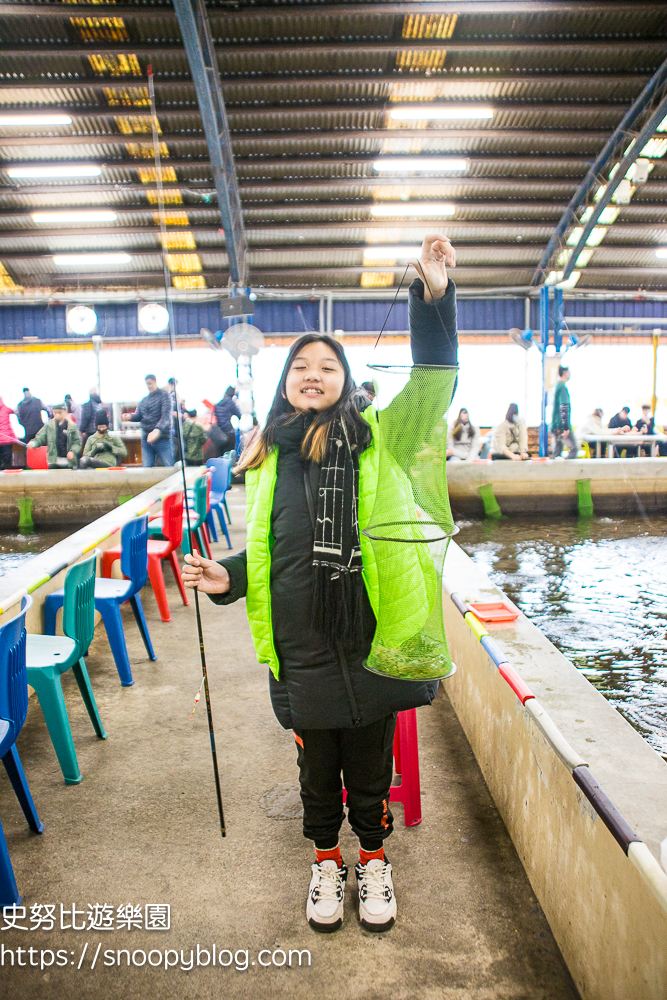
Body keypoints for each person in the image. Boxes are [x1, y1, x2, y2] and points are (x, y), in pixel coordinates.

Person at [181, 233, 458, 936]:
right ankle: (325, 861)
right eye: (299, 366)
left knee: (368, 768)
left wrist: (431, 296)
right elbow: (279, 551)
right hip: (300, 645)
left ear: (343, 381)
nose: (312, 373)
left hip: (369, 639)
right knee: (314, 775)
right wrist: (228, 577)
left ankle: (372, 859)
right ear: (284, 384)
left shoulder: (382, 437)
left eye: (326, 365)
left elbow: (432, 381)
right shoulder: (270, 456)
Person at [128, 375, 174, 468]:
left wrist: (157, 430)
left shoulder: (165, 396)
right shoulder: (144, 400)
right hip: (146, 438)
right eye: (147, 384)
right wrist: (130, 416)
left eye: (150, 383)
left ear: (155, 382)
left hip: (162, 438)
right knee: (147, 468)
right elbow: (139, 416)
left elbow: (166, 416)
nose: (148, 386)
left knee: (169, 467)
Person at [28, 403, 81, 469]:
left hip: (69, 462)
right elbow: (40, 437)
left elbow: (77, 442)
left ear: (65, 411)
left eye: (59, 413)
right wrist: (34, 443)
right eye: (55, 413)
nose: (57, 415)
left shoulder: (72, 426)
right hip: (53, 462)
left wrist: (72, 451)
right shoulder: (49, 425)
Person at [551, 366, 577, 459]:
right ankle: (566, 471)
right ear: (565, 373)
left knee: (557, 452)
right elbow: (564, 406)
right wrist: (565, 427)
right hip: (561, 426)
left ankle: (553, 472)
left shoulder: (557, 386)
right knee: (574, 449)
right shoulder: (562, 387)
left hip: (555, 425)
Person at [214, 386, 241, 454]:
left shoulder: (219, 404)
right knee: (230, 454)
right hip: (228, 432)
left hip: (219, 433)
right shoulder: (230, 403)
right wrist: (236, 404)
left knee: (220, 454)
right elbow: (239, 415)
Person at [0, 394, 20, 469]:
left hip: (4, 438)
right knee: (7, 461)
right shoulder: (5, 408)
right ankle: (8, 476)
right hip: (6, 439)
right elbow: (14, 411)